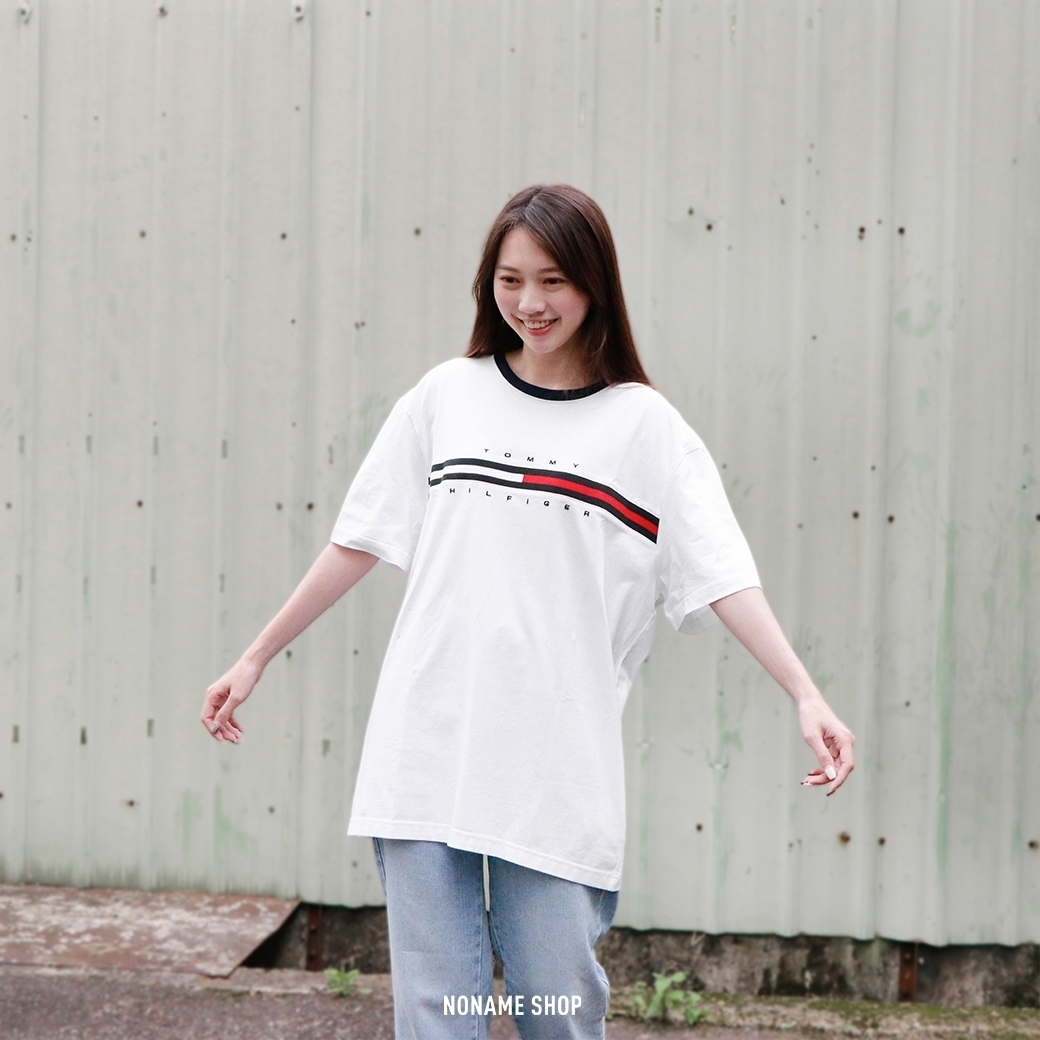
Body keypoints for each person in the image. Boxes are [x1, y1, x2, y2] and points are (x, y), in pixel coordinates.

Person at [201, 184, 854, 1040]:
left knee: (559, 1006)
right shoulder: (446, 395)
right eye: (510, 280)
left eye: (553, 280)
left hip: (554, 763)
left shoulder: (645, 427)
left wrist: (805, 693)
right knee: (438, 1013)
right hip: (427, 742)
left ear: (594, 284)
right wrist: (255, 656)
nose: (530, 303)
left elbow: (723, 573)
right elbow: (359, 540)